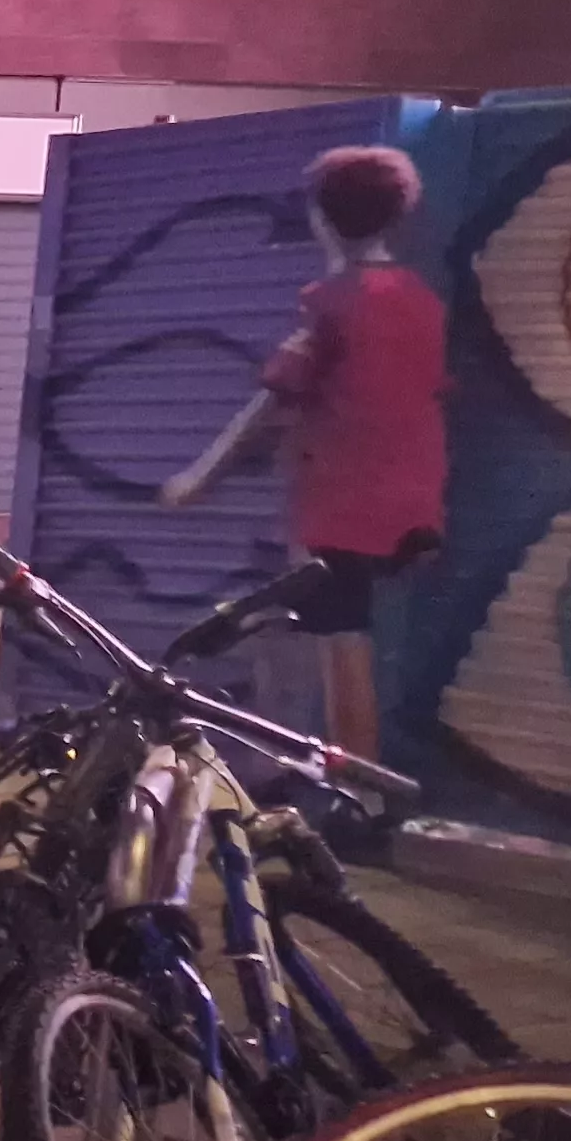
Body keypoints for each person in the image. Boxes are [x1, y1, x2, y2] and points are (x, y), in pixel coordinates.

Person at [162, 146, 446, 762]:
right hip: (415, 500)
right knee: (335, 629)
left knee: (343, 643)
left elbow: (270, 401)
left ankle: (357, 788)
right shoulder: (421, 298)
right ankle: (320, 768)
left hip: (344, 506)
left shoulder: (334, 302)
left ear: (324, 218)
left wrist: (200, 477)